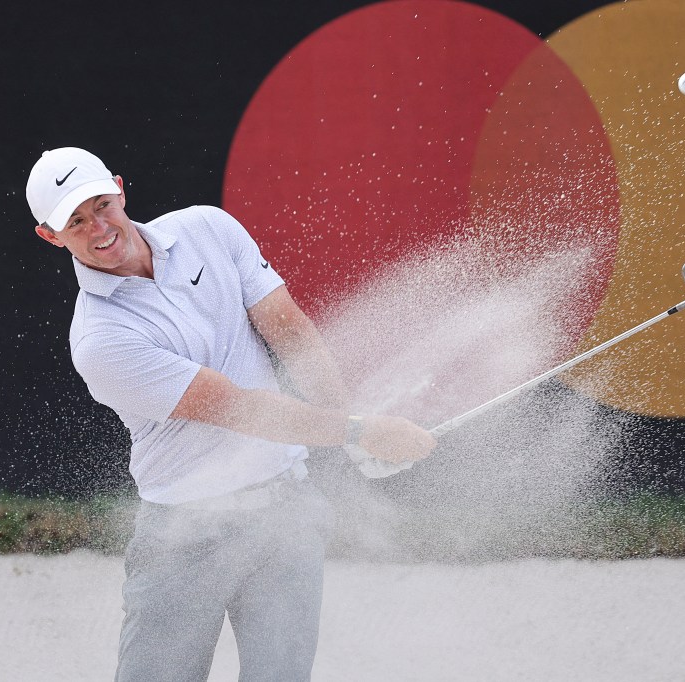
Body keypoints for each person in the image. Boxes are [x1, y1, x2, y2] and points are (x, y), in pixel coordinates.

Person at [25, 147, 435, 681]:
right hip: (184, 532)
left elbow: (291, 333)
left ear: (121, 189)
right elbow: (237, 409)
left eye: (101, 204)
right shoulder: (101, 340)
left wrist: (351, 430)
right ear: (50, 236)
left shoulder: (208, 230)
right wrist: (357, 431)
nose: (98, 227)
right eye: (75, 223)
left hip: (285, 511)